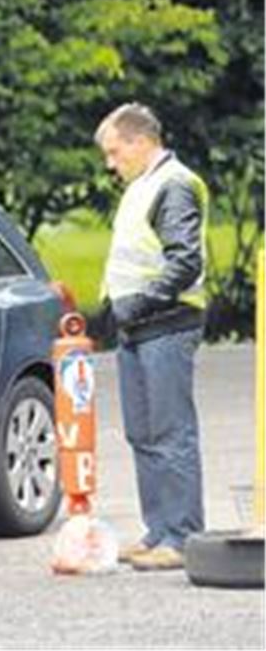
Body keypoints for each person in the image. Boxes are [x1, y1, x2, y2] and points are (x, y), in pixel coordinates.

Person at [95, 102, 208, 572]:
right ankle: (158, 531)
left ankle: (181, 538)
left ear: (142, 142)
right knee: (143, 432)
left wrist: (138, 303)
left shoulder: (174, 184)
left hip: (165, 323)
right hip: (136, 326)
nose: (110, 163)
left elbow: (185, 262)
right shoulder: (142, 185)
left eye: (115, 152)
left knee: (170, 431)